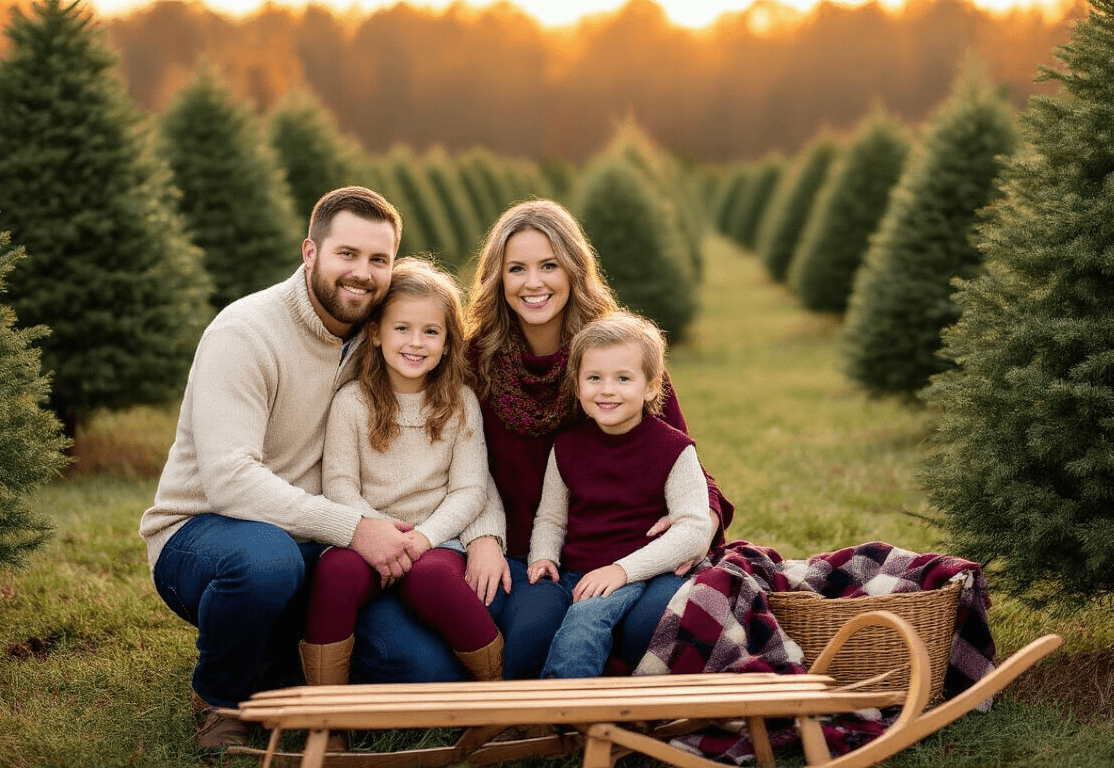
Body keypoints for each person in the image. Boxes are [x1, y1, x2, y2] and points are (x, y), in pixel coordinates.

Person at [352, 199, 734, 681]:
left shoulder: (617, 360)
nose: (534, 283)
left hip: (627, 555)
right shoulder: (472, 363)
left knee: (649, 624)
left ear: (573, 270)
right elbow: (459, 470)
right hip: (520, 561)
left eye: (549, 265)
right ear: (499, 278)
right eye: (517, 268)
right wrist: (484, 539)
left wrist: (697, 522)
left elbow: (683, 462)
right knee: (451, 659)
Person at [139, 187, 422, 752]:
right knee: (265, 563)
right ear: (310, 253)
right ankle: (220, 700)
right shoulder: (245, 333)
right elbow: (230, 481)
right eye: (347, 254)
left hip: (315, 545)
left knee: (411, 667)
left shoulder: (384, 336)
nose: (362, 274)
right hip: (206, 535)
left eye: (378, 260)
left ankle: (279, 663)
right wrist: (355, 529)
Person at [303, 257, 504, 694]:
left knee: (432, 577)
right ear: (375, 333)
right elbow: (339, 485)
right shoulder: (352, 402)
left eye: (431, 331)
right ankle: (327, 713)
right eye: (401, 329)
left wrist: (423, 538)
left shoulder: (460, 402)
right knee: (335, 574)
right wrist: (379, 534)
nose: (416, 342)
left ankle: (496, 692)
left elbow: (470, 490)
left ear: (449, 342)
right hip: (364, 534)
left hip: (435, 539)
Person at [527, 312, 713, 678]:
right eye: (594, 378)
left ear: (651, 386)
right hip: (577, 571)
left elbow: (693, 527)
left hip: (639, 568)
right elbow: (551, 517)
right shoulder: (566, 447)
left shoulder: (673, 448)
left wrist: (622, 571)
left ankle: (566, 712)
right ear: (577, 384)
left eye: (623, 379)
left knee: (584, 625)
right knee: (544, 627)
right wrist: (542, 556)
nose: (606, 389)